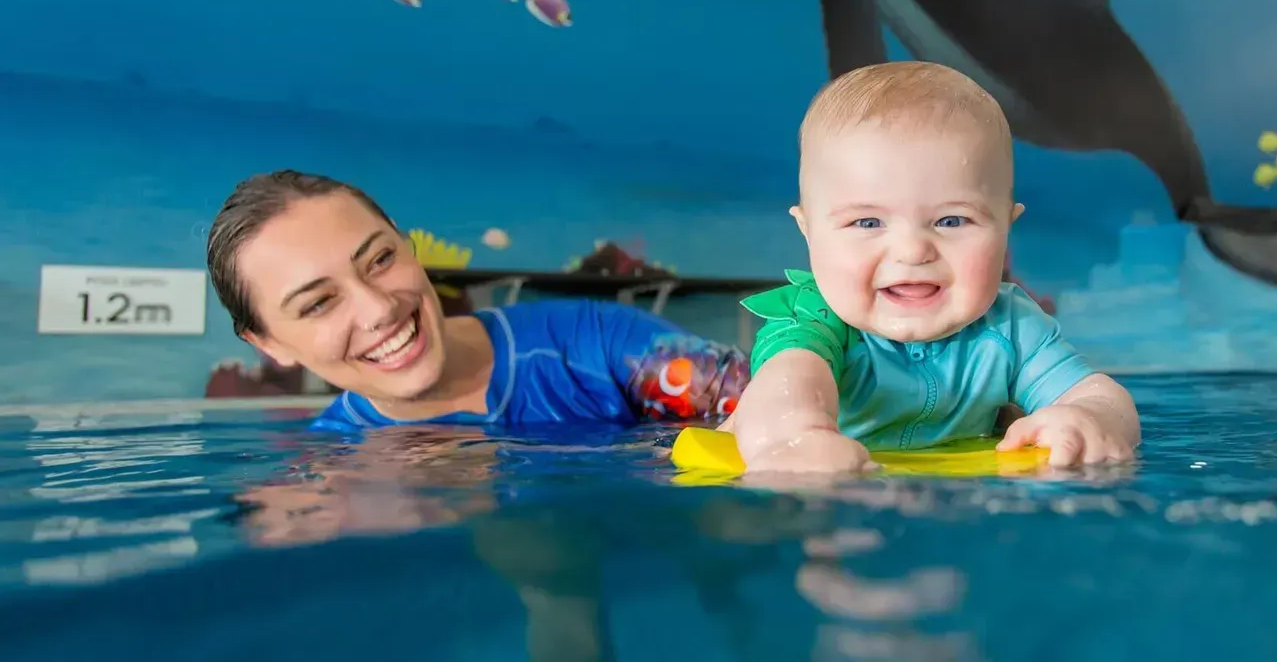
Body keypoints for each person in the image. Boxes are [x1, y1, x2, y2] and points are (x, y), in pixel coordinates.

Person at [724, 61, 1141, 474]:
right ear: (809, 231)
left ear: (1004, 228)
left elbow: (1104, 399)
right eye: (867, 222)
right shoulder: (813, 322)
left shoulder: (1010, 326)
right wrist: (794, 436)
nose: (911, 251)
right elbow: (785, 391)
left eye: (952, 221)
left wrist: (1090, 419)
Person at [205, 169, 748, 434]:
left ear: (404, 241)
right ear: (267, 342)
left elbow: (769, 398)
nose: (377, 309)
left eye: (379, 260)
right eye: (319, 303)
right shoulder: (332, 473)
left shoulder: (593, 347)